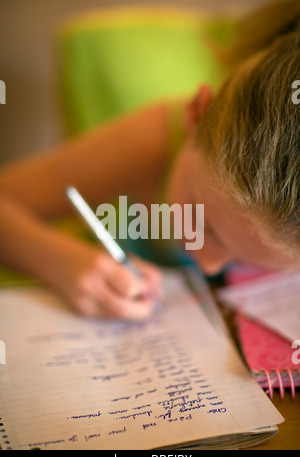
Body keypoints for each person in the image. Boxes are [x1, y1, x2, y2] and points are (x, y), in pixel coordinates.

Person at [0, 0, 299, 320]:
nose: (208, 263)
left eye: (254, 263)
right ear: (196, 115)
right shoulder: (155, 139)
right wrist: (61, 261)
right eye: (204, 226)